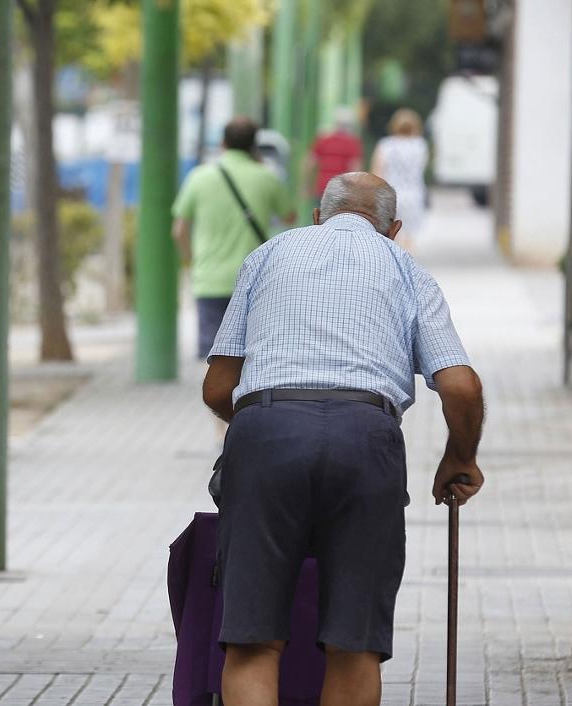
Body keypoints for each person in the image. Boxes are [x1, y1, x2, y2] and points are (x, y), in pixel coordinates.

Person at [201, 172, 485, 705]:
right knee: (354, 645)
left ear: (316, 215)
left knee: (253, 642)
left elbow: (218, 387)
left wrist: (265, 434)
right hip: (367, 437)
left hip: (267, 428)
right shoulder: (405, 268)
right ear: (393, 228)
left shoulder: (268, 255)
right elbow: (461, 386)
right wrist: (458, 457)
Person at [173, 117, 295, 360]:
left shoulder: (199, 177)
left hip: (209, 277)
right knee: (249, 356)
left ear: (223, 143)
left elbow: (178, 230)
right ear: (254, 146)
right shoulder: (266, 177)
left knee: (212, 360)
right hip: (255, 280)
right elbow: (290, 217)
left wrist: (190, 261)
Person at [371, 108, 429, 250]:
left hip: (391, 194)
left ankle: (393, 266)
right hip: (414, 194)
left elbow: (377, 171)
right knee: (410, 236)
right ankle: (407, 264)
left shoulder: (386, 145)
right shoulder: (420, 145)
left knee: (392, 234)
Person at [309, 107, 363, 206]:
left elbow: (311, 163)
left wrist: (307, 184)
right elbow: (355, 167)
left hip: (323, 185)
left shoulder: (323, 139)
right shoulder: (352, 142)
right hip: (341, 187)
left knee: (320, 215)